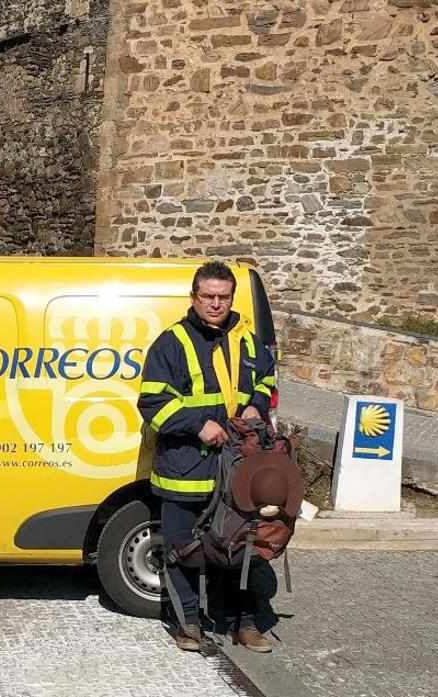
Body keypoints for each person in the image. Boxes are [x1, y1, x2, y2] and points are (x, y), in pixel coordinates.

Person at [136, 260, 277, 653]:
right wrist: (197, 425)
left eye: (223, 297)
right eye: (208, 296)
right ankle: (189, 624)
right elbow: (152, 401)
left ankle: (243, 624)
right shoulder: (172, 342)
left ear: (231, 298)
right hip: (185, 467)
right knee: (182, 551)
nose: (216, 303)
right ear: (194, 297)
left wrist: (257, 406)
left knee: (240, 550)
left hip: (237, 471)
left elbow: (268, 378)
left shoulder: (247, 340)